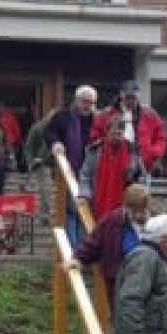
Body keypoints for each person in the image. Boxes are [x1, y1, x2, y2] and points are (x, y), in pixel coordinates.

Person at [72, 185, 151, 317]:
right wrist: (78, 258)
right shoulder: (112, 221)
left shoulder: (156, 222)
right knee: (121, 319)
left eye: (141, 210)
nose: (138, 215)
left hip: (148, 281)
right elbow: (94, 242)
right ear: (126, 206)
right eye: (133, 210)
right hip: (118, 280)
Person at [46, 86, 98, 244]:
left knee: (86, 210)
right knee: (71, 209)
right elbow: (49, 132)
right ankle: (73, 246)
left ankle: (84, 246)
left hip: (90, 172)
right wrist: (55, 143)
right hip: (69, 170)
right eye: (84, 101)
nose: (87, 105)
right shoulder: (63, 116)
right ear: (76, 100)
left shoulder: (98, 120)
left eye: (91, 102)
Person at [91, 81, 167, 176]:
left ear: (138, 97)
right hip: (112, 164)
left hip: (143, 166)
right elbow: (95, 137)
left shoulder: (150, 115)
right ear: (121, 96)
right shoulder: (105, 114)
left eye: (133, 98)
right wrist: (106, 150)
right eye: (127, 97)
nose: (130, 101)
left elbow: (161, 137)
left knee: (139, 191)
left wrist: (153, 153)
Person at [80, 117, 144, 226]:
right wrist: (84, 195)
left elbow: (141, 175)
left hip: (124, 203)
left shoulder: (132, 151)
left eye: (120, 134)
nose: (117, 137)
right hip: (97, 202)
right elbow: (85, 175)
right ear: (107, 132)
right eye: (114, 133)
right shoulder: (95, 150)